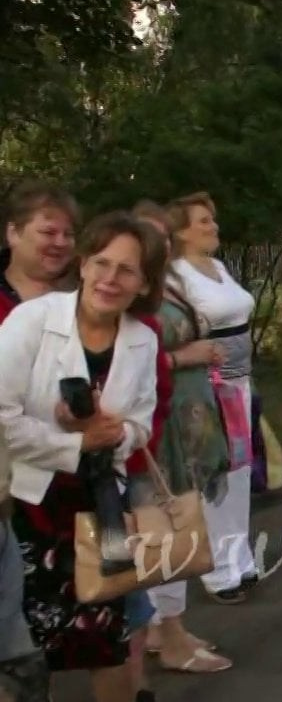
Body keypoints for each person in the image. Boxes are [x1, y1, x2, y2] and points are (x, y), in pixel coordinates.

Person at [0, 211, 167, 702]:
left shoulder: (143, 338)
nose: (110, 279)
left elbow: (142, 420)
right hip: (31, 505)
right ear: (84, 264)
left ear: (143, 283)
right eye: (102, 263)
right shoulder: (34, 319)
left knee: (109, 638)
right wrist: (73, 440)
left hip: (104, 508)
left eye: (127, 270)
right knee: (26, 649)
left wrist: (118, 434)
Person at [132, 201, 232, 674]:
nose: (159, 247)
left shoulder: (165, 283)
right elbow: (124, 358)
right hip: (155, 430)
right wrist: (183, 356)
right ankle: (167, 635)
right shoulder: (126, 292)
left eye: (163, 239)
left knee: (180, 522)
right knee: (164, 529)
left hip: (188, 425)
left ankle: (164, 626)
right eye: (148, 238)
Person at [0, 181, 77, 702]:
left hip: (69, 478)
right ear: (12, 232)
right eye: (47, 230)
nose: (59, 242)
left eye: (69, 234)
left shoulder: (81, 302)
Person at [167, 192, 260, 604]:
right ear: (180, 231)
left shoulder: (219, 267)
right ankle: (220, 571)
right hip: (207, 388)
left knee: (240, 470)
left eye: (213, 219)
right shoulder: (176, 275)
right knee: (215, 472)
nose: (213, 227)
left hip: (239, 383)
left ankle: (240, 559)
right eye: (203, 221)